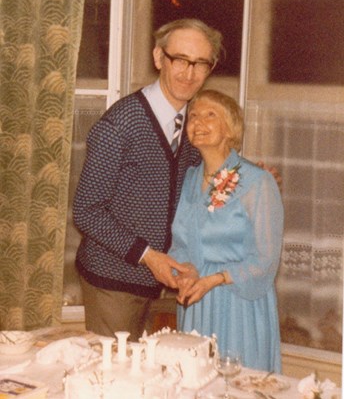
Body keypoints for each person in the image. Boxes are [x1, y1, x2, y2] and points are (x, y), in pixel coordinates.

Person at [72, 19, 223, 340]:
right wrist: (148, 256)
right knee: (114, 380)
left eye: (199, 64)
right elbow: (87, 211)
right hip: (113, 282)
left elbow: (201, 179)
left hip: (165, 281)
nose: (188, 73)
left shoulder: (192, 123)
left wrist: (251, 176)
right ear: (158, 58)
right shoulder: (120, 124)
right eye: (179, 60)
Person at [169, 89, 284, 372]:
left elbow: (266, 259)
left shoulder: (258, 181)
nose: (198, 122)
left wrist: (216, 279)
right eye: (193, 116)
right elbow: (179, 242)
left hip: (238, 304)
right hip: (196, 303)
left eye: (211, 115)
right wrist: (182, 275)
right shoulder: (188, 178)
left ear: (230, 127)